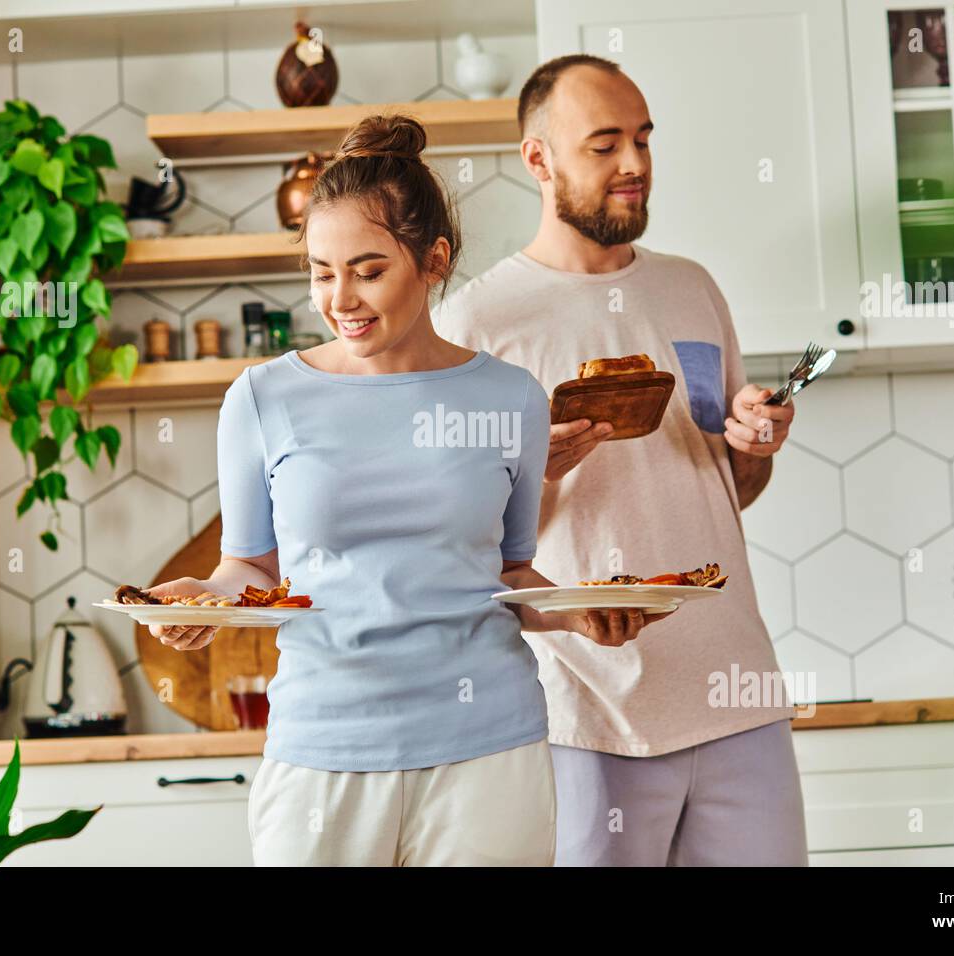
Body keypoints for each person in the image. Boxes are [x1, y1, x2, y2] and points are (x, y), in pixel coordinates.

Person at [144, 113, 672, 867]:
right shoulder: (262, 397)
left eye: (367, 269)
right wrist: (205, 596)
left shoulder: (511, 398)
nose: (341, 299)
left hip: (487, 751)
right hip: (322, 747)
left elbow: (506, 575)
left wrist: (580, 618)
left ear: (434, 259)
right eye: (322, 273)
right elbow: (250, 570)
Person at [434, 55, 809, 866]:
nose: (634, 164)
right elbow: (458, 542)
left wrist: (754, 444)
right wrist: (539, 473)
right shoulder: (479, 321)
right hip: (584, 711)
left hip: (734, 691)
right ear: (538, 159)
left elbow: (728, 489)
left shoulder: (691, 289)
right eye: (604, 145)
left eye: (642, 139)